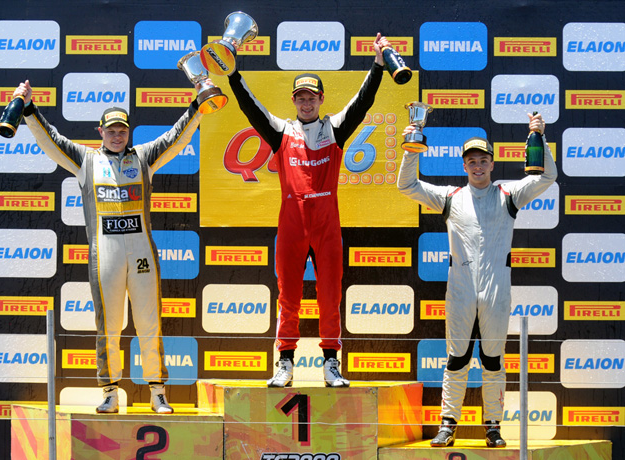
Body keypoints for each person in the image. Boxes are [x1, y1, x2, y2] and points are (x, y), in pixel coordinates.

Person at [13, 79, 211, 414]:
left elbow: (178, 138)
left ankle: (158, 392)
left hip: (142, 253)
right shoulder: (86, 160)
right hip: (105, 255)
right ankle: (109, 391)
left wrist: (198, 105)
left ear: (128, 132)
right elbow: (51, 141)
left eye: (122, 131)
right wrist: (29, 110)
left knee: (149, 322)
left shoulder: (144, 157)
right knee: (109, 326)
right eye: (111, 131)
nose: (117, 136)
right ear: (100, 132)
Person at [227, 33, 391, 388]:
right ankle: (285, 361)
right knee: (289, 296)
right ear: (294, 100)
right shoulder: (282, 131)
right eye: (300, 97)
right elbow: (250, 107)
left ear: (320, 99)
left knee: (330, 294)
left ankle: (331, 362)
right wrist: (232, 73)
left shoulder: (334, 129)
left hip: (327, 226)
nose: (305, 102)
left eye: (311, 97)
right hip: (292, 226)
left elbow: (362, 102)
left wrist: (378, 64)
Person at [397, 113, 557, 447]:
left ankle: (493, 427)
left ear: (493, 164)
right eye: (472, 161)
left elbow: (546, 178)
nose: (478, 166)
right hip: (461, 290)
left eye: (484, 160)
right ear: (465, 165)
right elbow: (406, 185)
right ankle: (447, 425)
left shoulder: (509, 194)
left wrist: (539, 136)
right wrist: (412, 146)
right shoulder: (450, 197)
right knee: (456, 360)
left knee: (493, 361)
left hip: (496, 291)